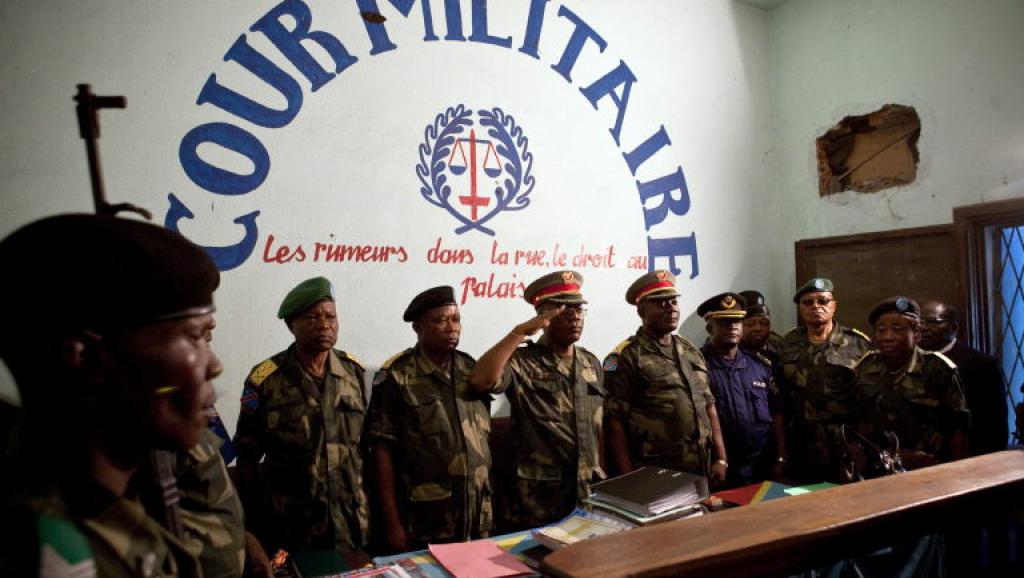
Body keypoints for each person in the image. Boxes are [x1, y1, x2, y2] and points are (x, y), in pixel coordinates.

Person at [0, 214, 225, 577]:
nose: (213, 365)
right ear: (87, 357)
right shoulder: (51, 555)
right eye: (194, 337)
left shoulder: (108, 510)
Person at [233, 277, 369, 561]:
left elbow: (365, 446)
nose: (324, 325)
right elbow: (246, 456)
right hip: (291, 527)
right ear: (291, 325)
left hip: (349, 522)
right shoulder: (266, 379)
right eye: (312, 317)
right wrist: (255, 524)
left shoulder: (354, 373)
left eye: (330, 316)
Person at [468, 271, 605, 529]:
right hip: (539, 495)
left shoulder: (591, 363)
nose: (575, 316)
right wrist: (518, 333)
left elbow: (600, 427)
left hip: (588, 490)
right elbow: (481, 381)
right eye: (565, 309)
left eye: (579, 309)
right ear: (543, 317)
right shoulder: (522, 362)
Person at [363, 286, 492, 552]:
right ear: (418, 327)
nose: (451, 327)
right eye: (440, 320)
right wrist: (392, 523)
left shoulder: (472, 369)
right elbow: (382, 451)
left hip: (477, 515)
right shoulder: (397, 376)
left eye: (455, 320)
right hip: (425, 518)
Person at [602, 270, 728, 486]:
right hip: (655, 471)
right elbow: (614, 423)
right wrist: (627, 478)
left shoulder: (690, 350)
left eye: (673, 301)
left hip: (700, 465)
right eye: (661, 302)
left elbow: (709, 406)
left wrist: (721, 458)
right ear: (642, 310)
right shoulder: (626, 356)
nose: (670, 307)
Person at [854, 297, 970, 470]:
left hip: (925, 469)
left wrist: (957, 473)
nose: (887, 337)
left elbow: (958, 429)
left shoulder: (938, 369)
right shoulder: (866, 366)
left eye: (897, 329)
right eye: (881, 330)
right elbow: (859, 421)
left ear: (916, 333)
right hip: (876, 468)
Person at [777, 277, 871, 483]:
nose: (815, 307)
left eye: (822, 301)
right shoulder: (786, 344)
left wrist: (861, 445)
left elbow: (869, 402)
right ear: (800, 308)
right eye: (808, 302)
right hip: (801, 445)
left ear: (834, 306)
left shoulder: (858, 344)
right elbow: (779, 402)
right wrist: (782, 452)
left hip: (844, 442)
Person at [698, 292, 785, 487]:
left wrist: (781, 457)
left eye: (737, 321)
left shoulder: (760, 365)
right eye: (724, 322)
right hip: (723, 466)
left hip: (762, 462)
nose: (732, 327)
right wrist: (719, 460)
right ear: (709, 328)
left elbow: (777, 412)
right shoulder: (698, 366)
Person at [919, 300, 1008, 455]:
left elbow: (995, 424)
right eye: (920, 322)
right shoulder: (912, 361)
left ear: (954, 327)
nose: (924, 328)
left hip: (968, 458)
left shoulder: (982, 364)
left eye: (933, 322)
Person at [738, 289, 782, 366]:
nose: (758, 328)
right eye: (750, 324)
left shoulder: (781, 346)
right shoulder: (731, 352)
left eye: (764, 323)